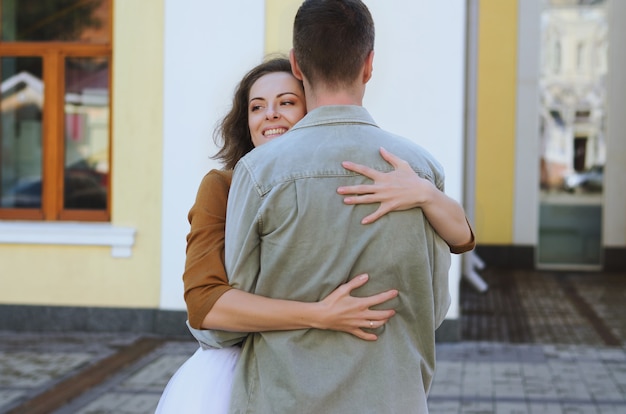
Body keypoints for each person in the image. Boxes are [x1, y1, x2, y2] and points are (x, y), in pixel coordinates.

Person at [191, 1, 473, 413]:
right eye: (258, 106)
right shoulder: (419, 168)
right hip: (394, 399)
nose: (271, 114)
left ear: (298, 67)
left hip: (284, 400)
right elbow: (434, 308)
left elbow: (227, 315)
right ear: (370, 64)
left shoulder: (259, 172)